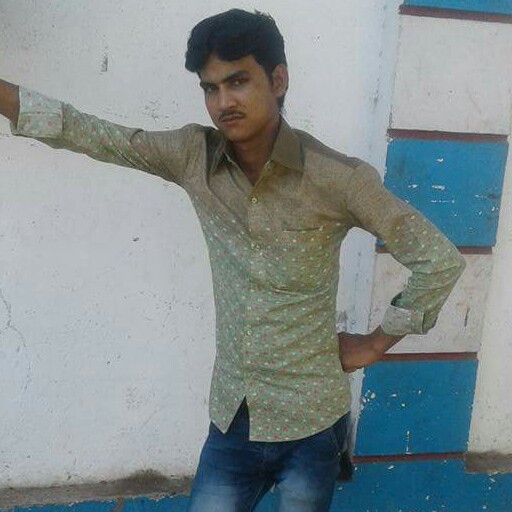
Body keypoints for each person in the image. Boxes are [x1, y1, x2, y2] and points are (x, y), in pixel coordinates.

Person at [0, 8, 465, 512]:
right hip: (233, 420)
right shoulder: (193, 156)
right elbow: (86, 131)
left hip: (312, 424)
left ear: (278, 79)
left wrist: (376, 342)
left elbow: (438, 260)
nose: (223, 102)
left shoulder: (338, 178)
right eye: (210, 88)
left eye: (238, 81)